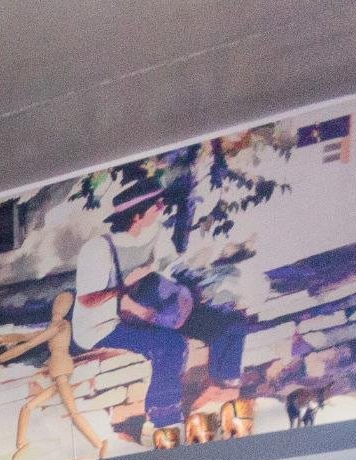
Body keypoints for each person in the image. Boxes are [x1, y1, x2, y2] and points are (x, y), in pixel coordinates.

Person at [72, 169, 253, 438]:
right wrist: (125, 287)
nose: (161, 208)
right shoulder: (98, 249)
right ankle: (163, 419)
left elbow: (171, 266)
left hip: (153, 307)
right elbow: (87, 299)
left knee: (230, 322)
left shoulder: (155, 232)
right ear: (136, 215)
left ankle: (221, 388)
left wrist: (200, 286)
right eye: (155, 205)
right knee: (170, 345)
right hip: (105, 324)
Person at [0, 291, 113, 460]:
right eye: (57, 303)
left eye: (62, 303)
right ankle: (21, 444)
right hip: (57, 372)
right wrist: (1, 338)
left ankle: (99, 444)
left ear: (66, 308)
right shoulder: (54, 326)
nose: (57, 307)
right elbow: (25, 337)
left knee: (73, 412)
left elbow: (29, 343)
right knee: (28, 407)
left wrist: (1, 358)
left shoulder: (61, 325)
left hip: (61, 370)